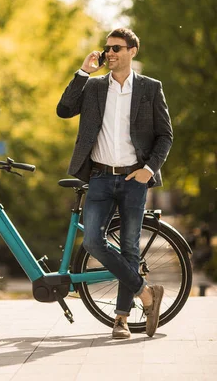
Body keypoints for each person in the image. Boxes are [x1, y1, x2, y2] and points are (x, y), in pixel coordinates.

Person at [57, 28, 173, 338]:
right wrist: (83, 72)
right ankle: (147, 294)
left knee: (130, 248)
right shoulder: (94, 88)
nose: (110, 53)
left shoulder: (150, 88)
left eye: (117, 48)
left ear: (133, 51)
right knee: (93, 241)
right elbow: (64, 110)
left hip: (134, 177)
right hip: (99, 177)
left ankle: (120, 320)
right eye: (107, 48)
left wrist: (150, 168)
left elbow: (165, 135)